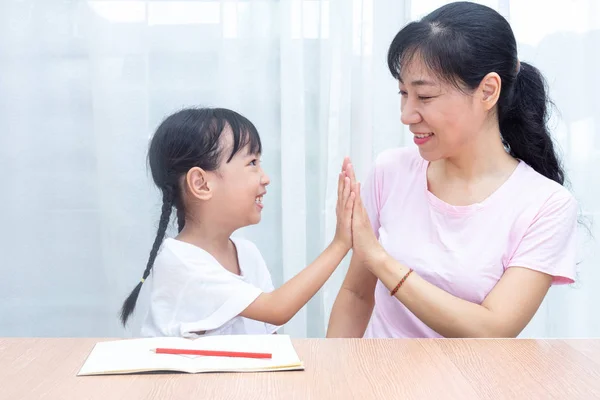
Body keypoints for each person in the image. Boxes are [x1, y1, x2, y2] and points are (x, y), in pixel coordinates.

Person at [327, 1, 578, 338]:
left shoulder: (546, 204)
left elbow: (493, 329)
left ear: (487, 91)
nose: (407, 114)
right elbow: (356, 295)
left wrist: (377, 257)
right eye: (403, 93)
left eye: (425, 97)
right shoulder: (391, 171)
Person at [120, 107, 355, 337]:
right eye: (252, 163)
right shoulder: (180, 262)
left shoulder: (247, 254)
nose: (266, 178)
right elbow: (277, 309)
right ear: (201, 184)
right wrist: (340, 244)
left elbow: (270, 338)